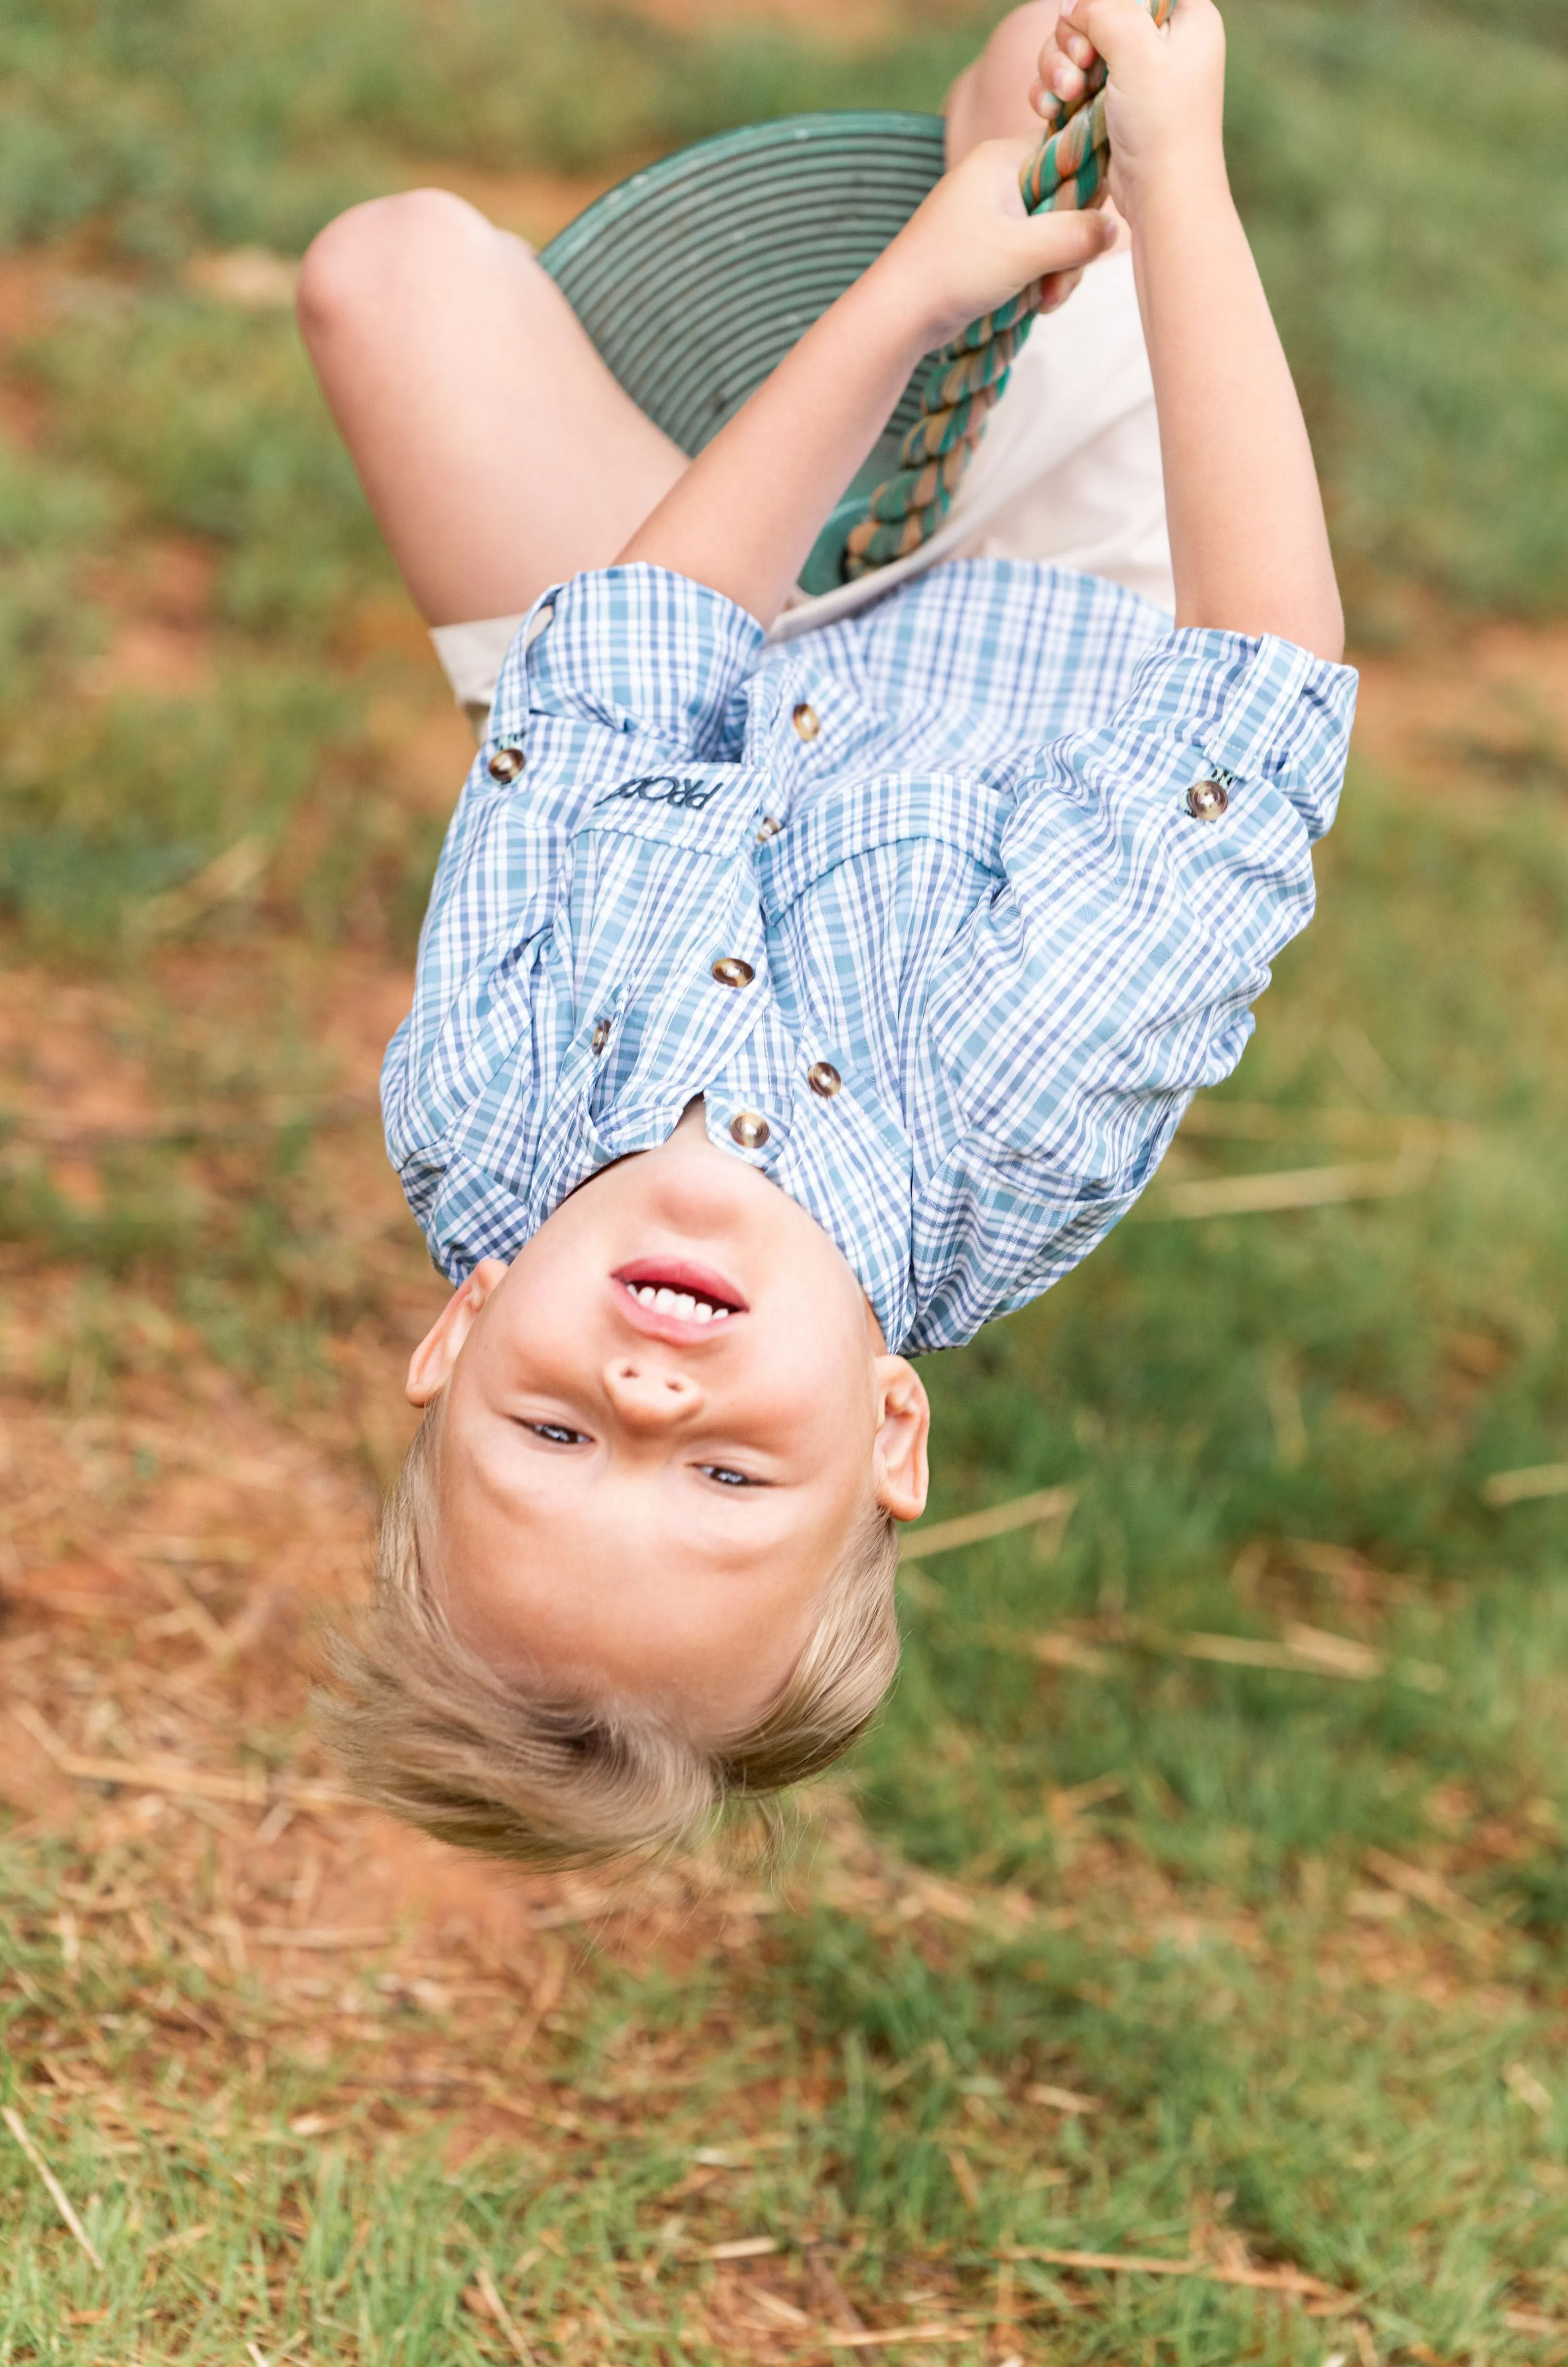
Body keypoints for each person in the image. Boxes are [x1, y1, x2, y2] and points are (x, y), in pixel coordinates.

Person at [296, 0, 1353, 1866]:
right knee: (1080, 64)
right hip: (1060, 595)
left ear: (460, 1329)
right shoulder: (1000, 1131)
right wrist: (1176, 174)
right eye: (722, 1472)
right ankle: (1011, 184)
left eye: (553, 1441)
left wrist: (903, 304)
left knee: (385, 276)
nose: (643, 1394)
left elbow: (625, 675)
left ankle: (946, 224)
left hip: (723, 658)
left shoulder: (480, 1123)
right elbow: (1257, 691)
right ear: (887, 1439)